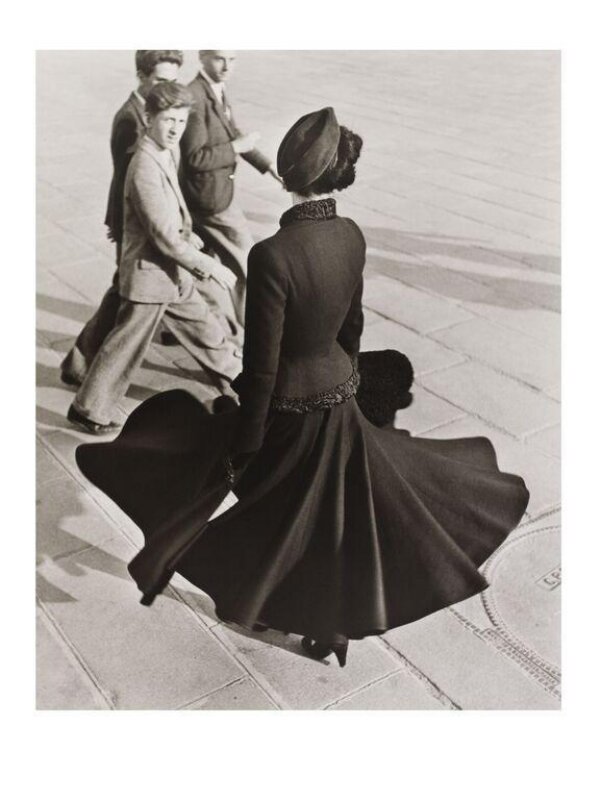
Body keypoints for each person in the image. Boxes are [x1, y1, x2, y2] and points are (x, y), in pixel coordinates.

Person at [75, 107, 529, 667]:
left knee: (282, 514)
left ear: (285, 178)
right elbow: (352, 326)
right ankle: (324, 628)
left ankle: (281, 609)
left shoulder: (272, 255)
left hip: (289, 407)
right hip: (337, 395)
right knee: (323, 521)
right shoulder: (351, 235)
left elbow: (262, 363)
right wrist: (350, 383)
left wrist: (248, 435)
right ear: (334, 177)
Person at [67, 82, 241, 435]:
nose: (176, 128)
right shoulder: (144, 164)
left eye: (181, 120)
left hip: (169, 275)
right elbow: (163, 237)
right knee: (125, 347)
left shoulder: (165, 152)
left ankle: (241, 381)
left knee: (206, 329)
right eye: (168, 120)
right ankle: (89, 410)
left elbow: (169, 219)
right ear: (148, 118)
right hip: (151, 275)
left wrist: (188, 233)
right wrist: (209, 264)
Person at [61, 50, 185, 387]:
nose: (167, 87)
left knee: (120, 293)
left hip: (139, 220)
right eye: (160, 80)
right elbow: (133, 180)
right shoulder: (131, 118)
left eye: (173, 80)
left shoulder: (148, 112)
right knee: (129, 299)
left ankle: (77, 362)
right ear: (141, 77)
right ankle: (92, 376)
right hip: (134, 223)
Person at [179, 50, 282, 327]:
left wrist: (267, 164)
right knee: (249, 263)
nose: (226, 67)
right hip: (211, 200)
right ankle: (256, 335)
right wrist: (237, 147)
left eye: (232, 60)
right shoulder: (195, 97)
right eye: (219, 58)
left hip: (207, 193)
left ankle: (179, 327)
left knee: (195, 266)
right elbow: (195, 158)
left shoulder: (214, 88)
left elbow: (231, 131)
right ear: (202, 57)